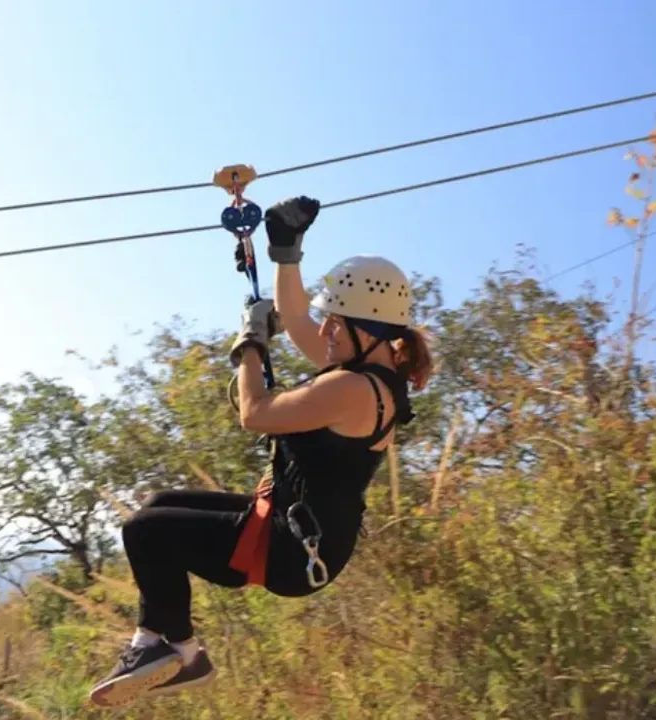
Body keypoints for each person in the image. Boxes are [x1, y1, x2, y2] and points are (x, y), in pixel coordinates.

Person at [88, 196, 433, 708]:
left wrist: (249, 343)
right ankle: (162, 646)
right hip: (293, 528)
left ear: (369, 330)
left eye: (334, 323)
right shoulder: (372, 374)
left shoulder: (354, 390)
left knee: (144, 531)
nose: (323, 332)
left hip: (292, 553)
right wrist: (285, 252)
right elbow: (295, 319)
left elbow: (255, 413)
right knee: (158, 505)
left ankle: (175, 650)